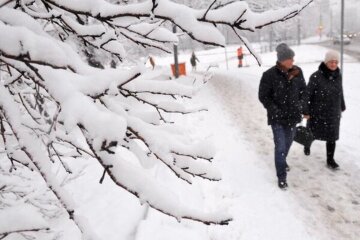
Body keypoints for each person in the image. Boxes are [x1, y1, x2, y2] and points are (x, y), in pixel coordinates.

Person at [258, 43, 307, 190]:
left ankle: (282, 161)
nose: (292, 61)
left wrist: (301, 107)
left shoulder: (298, 72)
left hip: (292, 116)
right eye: (290, 59)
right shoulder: (269, 75)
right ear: (282, 60)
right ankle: (281, 177)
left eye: (293, 58)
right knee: (280, 146)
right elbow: (263, 96)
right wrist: (274, 110)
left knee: (288, 143)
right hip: (277, 118)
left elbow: (303, 91)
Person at [303, 50, 346, 169]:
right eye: (331, 62)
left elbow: (339, 91)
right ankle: (307, 145)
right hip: (318, 112)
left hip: (333, 112)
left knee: (332, 137)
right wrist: (305, 110)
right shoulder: (316, 76)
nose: (333, 64)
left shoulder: (338, 75)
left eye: (336, 62)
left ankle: (330, 159)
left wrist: (342, 104)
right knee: (312, 133)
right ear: (326, 62)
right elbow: (307, 94)